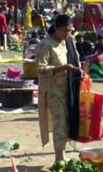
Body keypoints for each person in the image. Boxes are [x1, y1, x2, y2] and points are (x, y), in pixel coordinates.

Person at [35, 14, 82, 162]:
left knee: (68, 120)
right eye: (63, 30)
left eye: (69, 30)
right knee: (60, 121)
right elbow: (40, 68)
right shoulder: (45, 45)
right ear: (55, 28)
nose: (66, 34)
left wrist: (78, 70)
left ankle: (63, 153)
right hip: (52, 90)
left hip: (68, 87)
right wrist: (62, 68)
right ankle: (59, 157)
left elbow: (76, 58)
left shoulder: (68, 41)